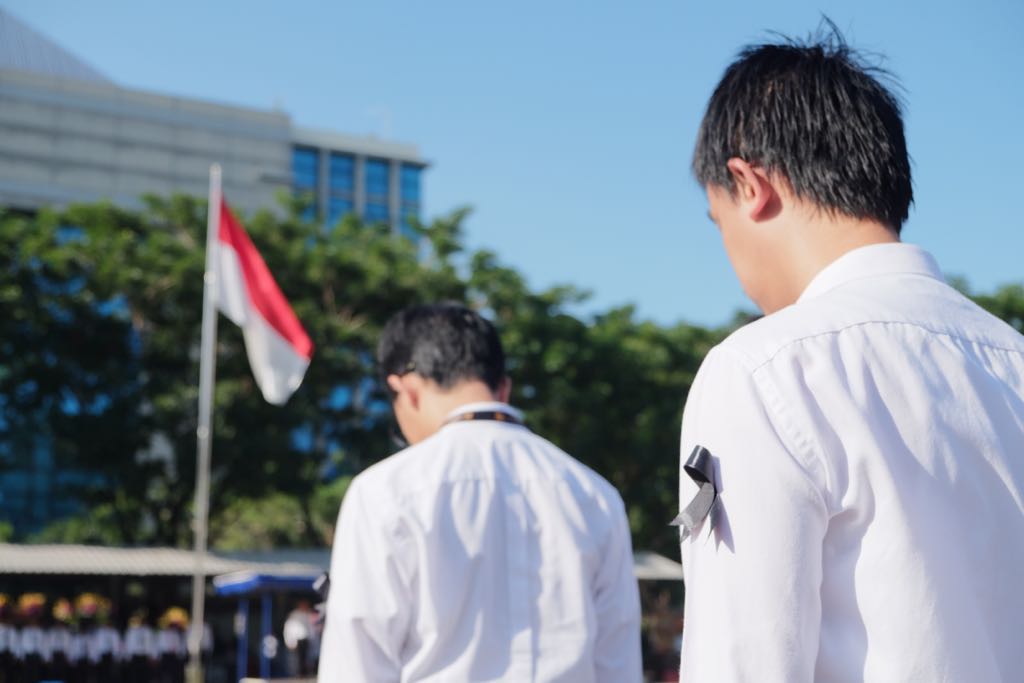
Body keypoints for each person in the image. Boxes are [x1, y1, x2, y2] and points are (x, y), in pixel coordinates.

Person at [677, 23, 1024, 681]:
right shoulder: (1011, 361)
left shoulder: (761, 369)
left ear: (750, 186)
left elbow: (742, 659)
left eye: (717, 221)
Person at [318, 303, 642, 682]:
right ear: (503, 387)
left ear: (406, 390)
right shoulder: (595, 494)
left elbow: (357, 665)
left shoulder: (384, 492)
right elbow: (617, 663)